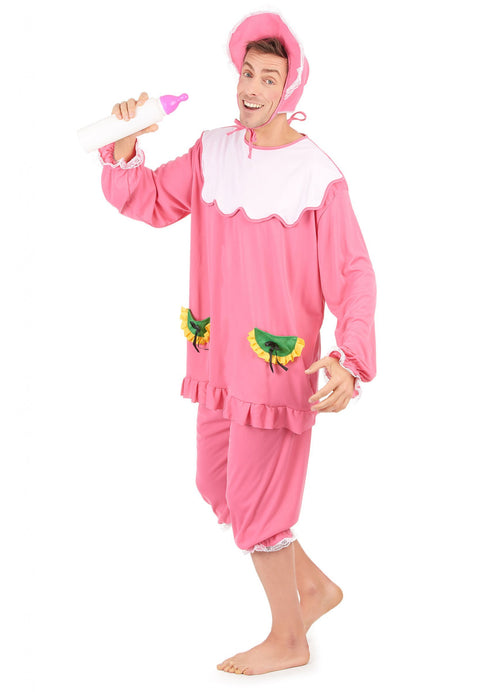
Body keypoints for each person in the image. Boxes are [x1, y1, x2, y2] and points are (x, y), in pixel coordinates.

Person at [97, 11, 377, 676]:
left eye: (268, 78)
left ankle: (289, 637)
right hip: (217, 364)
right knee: (215, 484)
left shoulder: (316, 176)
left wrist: (350, 358)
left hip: (274, 374)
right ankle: (314, 588)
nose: (251, 87)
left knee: (258, 507)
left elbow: (352, 272)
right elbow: (151, 201)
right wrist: (125, 146)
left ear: (291, 87)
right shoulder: (213, 150)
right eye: (247, 73)